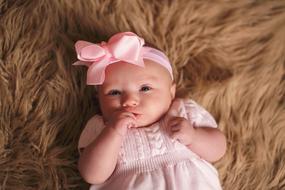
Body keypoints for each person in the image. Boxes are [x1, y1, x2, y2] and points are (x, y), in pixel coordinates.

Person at [74, 32, 227, 190]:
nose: (129, 101)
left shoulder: (183, 111)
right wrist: (113, 132)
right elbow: (92, 175)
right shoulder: (101, 127)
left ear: (171, 92)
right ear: (98, 98)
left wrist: (194, 137)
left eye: (145, 88)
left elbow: (218, 149)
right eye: (114, 92)